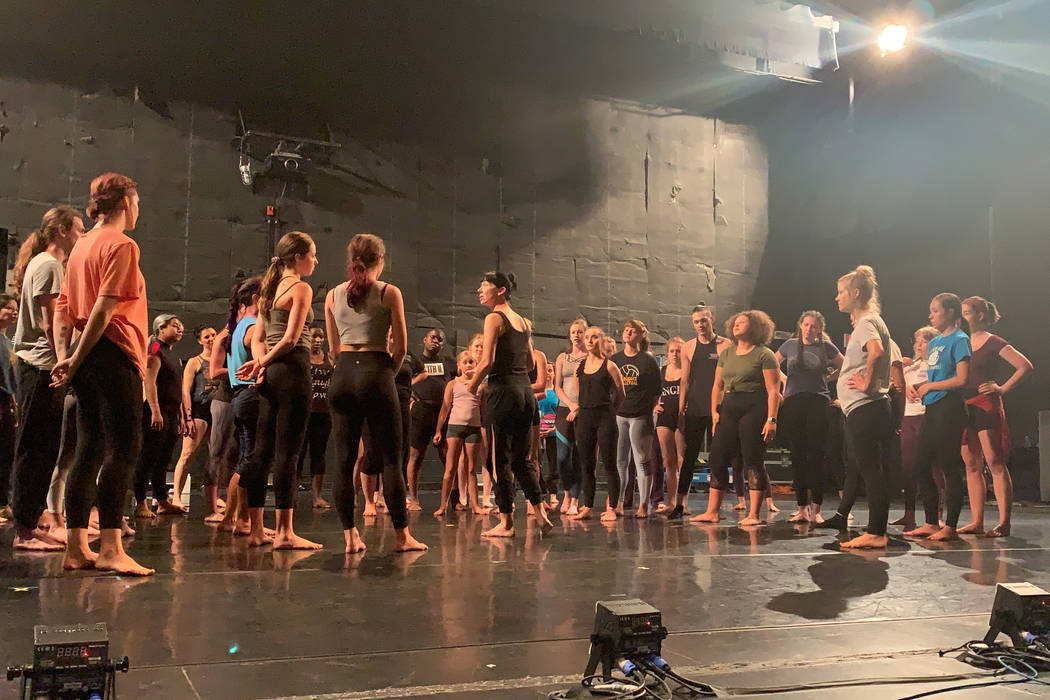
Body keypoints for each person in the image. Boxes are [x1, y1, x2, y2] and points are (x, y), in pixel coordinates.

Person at [51, 172, 154, 575]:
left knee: (90, 448)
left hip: (87, 357)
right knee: (123, 450)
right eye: (137, 200)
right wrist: (73, 359)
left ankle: (76, 547)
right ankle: (110, 546)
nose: (138, 208)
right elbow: (105, 307)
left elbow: (63, 307)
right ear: (126, 202)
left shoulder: (80, 247)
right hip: (112, 354)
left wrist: (68, 355)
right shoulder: (122, 244)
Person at [325, 233, 426, 553]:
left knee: (343, 460)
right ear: (379, 262)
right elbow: (402, 347)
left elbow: (332, 349)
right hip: (376, 370)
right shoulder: (389, 292)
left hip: (342, 375)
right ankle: (401, 537)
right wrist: (385, 374)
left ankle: (350, 537)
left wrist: (349, 370)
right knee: (391, 460)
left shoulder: (331, 296)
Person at [235, 231, 322, 550]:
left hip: (271, 373)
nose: (315, 260)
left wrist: (260, 364)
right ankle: (284, 532)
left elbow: (258, 338)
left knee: (262, 450)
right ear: (298, 257)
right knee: (288, 453)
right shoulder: (301, 287)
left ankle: (257, 529)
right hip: (293, 369)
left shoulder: (269, 291)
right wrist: (263, 363)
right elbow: (290, 339)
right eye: (312, 254)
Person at [10, 206, 83, 550]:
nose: (83, 236)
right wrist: (63, 362)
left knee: (42, 447)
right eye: (79, 230)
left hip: (41, 367)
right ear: (63, 230)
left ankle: (30, 521)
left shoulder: (43, 264)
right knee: (35, 448)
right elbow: (50, 323)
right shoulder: (50, 266)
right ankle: (24, 529)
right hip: (40, 368)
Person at [467, 271, 553, 537]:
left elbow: (487, 361)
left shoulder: (494, 318)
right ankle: (539, 512)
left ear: (500, 290)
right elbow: (528, 363)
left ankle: (506, 522)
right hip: (524, 394)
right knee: (521, 458)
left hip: (502, 392)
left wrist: (471, 387)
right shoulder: (523, 322)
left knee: (497, 461)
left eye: (484, 286)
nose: (480, 291)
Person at [817, 266, 895, 548]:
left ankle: (876, 533)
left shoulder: (865, 323)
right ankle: (877, 531)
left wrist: (866, 384)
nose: (837, 298)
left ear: (857, 294)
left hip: (867, 407)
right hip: (866, 409)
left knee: (871, 469)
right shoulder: (872, 321)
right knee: (868, 467)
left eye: (841, 292)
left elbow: (877, 352)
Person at [690, 311, 780, 526]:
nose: (737, 325)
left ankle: (754, 514)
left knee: (752, 459)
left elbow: (774, 389)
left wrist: (772, 419)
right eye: (736, 323)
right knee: (717, 458)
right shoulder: (727, 353)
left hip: (754, 406)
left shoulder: (764, 354)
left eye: (743, 323)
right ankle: (712, 512)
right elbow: (717, 386)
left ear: (755, 327)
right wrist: (714, 412)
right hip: (730, 406)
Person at [958, 296, 1031, 538]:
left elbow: (1024, 365)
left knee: (994, 461)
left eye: (968, 312)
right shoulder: (962, 341)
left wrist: (1002, 388)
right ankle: (977, 521)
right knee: (970, 463)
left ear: (980, 315)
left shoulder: (993, 342)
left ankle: (1003, 522)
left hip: (985, 403)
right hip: (965, 406)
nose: (964, 316)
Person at [902, 293, 972, 542]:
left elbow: (962, 379)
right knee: (920, 465)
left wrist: (931, 387)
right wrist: (919, 385)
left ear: (951, 312)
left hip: (950, 408)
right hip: (931, 409)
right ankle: (931, 522)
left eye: (935, 310)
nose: (930, 315)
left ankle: (950, 526)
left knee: (949, 466)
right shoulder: (934, 344)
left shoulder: (960, 339)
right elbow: (935, 376)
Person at [775, 312, 842, 524]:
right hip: (794, 402)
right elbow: (771, 364)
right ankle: (801, 508)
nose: (809, 329)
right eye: (806, 325)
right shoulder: (790, 344)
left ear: (819, 329)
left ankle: (817, 510)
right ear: (800, 325)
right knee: (797, 455)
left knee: (816, 455)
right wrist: (784, 380)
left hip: (817, 402)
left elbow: (845, 365)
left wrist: (829, 378)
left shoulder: (826, 347)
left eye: (813, 326)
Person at [667, 306, 731, 519]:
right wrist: (680, 410)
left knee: (717, 457)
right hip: (694, 406)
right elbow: (685, 380)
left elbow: (728, 378)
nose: (700, 325)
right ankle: (680, 503)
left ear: (711, 319)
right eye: (696, 322)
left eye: (703, 320)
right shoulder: (688, 347)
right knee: (689, 455)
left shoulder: (725, 345)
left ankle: (714, 507)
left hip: (717, 408)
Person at [217, 276, 262, 534]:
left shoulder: (238, 327)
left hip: (240, 396)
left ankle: (235, 519)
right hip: (250, 395)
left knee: (247, 460)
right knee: (249, 462)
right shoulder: (253, 326)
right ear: (257, 299)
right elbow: (259, 357)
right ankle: (241, 519)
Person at [134, 314, 191, 518]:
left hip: (170, 413)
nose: (180, 329)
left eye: (181, 326)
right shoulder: (156, 350)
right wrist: (155, 412)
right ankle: (141, 502)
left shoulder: (173, 355)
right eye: (175, 325)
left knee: (163, 458)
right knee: (148, 457)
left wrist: (182, 417)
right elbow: (150, 382)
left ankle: (162, 500)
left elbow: (177, 388)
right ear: (160, 329)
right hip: (156, 412)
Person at [571, 327, 626, 522]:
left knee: (609, 462)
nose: (589, 340)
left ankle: (612, 507)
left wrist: (610, 410)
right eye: (587, 337)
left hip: (605, 416)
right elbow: (579, 391)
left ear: (601, 340)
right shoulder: (581, 366)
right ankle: (587, 506)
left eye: (594, 337)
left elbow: (621, 393)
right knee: (587, 464)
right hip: (585, 416)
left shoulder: (610, 366)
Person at [611, 320, 661, 518]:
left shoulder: (647, 361)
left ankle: (643, 504)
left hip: (640, 415)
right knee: (620, 461)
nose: (628, 333)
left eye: (633, 330)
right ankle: (620, 502)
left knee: (642, 459)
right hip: (619, 415)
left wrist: (649, 410)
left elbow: (656, 391)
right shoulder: (615, 359)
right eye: (626, 330)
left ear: (641, 335)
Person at [405, 329, 456, 511]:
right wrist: (410, 397)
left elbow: (459, 382)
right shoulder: (415, 361)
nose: (436, 341)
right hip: (421, 411)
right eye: (432, 338)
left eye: (440, 339)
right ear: (425, 340)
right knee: (415, 456)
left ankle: (455, 501)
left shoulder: (449, 362)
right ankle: (414, 499)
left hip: (443, 413)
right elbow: (402, 379)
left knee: (448, 457)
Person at [894, 326, 939, 529]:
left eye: (924, 340)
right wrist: (901, 373)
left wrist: (917, 387)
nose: (919, 344)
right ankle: (909, 514)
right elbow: (892, 384)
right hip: (907, 418)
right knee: (908, 467)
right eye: (918, 340)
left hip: (925, 417)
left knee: (932, 467)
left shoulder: (937, 365)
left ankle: (936, 515)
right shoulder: (910, 366)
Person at [170, 325, 218, 512]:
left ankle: (213, 499)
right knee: (188, 454)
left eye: (214, 335)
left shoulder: (222, 359)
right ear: (200, 341)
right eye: (207, 337)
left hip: (218, 410)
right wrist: (187, 416)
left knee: (216, 456)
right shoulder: (194, 362)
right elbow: (186, 390)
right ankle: (176, 496)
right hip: (200, 410)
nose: (212, 339)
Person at [433, 351, 484, 515]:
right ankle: (442, 505)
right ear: (459, 366)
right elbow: (445, 408)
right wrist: (438, 430)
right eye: (466, 362)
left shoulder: (481, 385)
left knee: (470, 469)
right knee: (450, 468)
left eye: (472, 362)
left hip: (473, 429)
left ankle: (475, 505)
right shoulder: (453, 384)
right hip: (455, 427)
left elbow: (483, 408)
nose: (469, 365)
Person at [552, 318, 587, 514]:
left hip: (584, 410)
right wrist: (572, 405)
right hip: (565, 408)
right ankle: (566, 494)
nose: (576, 335)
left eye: (580, 332)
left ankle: (575, 499)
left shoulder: (590, 358)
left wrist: (580, 407)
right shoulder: (562, 358)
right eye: (573, 332)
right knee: (563, 456)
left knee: (579, 457)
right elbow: (557, 386)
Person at [298, 326, 333, 509]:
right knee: (299, 454)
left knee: (318, 455)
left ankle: (317, 497)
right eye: (314, 337)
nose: (318, 340)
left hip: (323, 412)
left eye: (321, 337)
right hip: (304, 412)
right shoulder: (303, 357)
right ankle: (291, 497)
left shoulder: (329, 358)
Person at [654, 337, 685, 514]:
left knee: (682, 460)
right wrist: (654, 405)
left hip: (681, 419)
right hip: (664, 418)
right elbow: (652, 392)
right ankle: (671, 501)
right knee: (668, 462)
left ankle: (682, 502)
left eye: (678, 351)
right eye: (672, 351)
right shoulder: (662, 371)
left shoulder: (688, 371)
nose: (675, 354)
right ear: (667, 353)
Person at [0, 296, 19, 523]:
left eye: (16, 309)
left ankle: (4, 503)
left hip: (9, 402)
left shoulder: (9, 342)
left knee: (7, 454)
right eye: (8, 308)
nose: (13, 312)